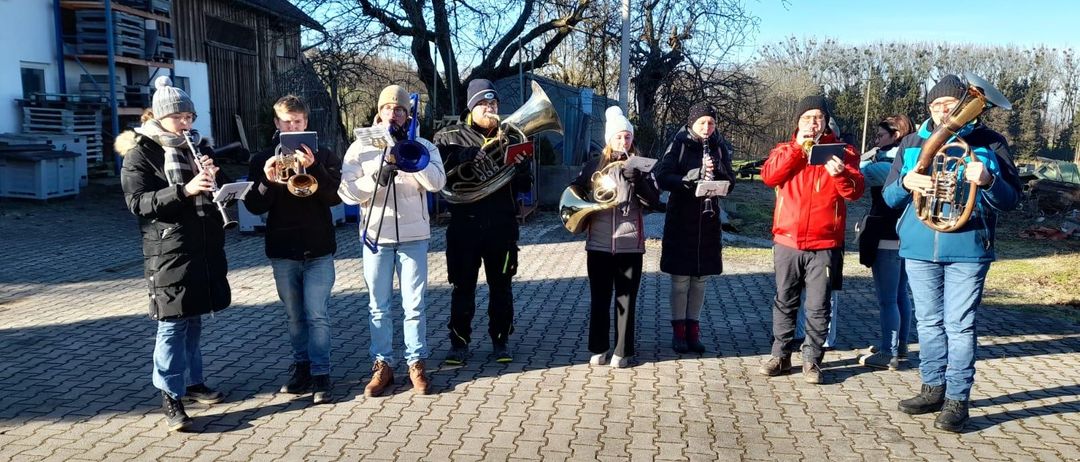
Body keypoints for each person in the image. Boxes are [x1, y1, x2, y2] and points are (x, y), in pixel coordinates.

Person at [885, 75, 1020, 432]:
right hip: (918, 245)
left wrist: (989, 181)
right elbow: (888, 198)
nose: (943, 111)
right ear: (928, 108)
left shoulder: (990, 142)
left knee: (959, 326)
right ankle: (932, 387)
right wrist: (905, 183)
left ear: (963, 105)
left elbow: (1011, 200)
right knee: (927, 323)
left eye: (950, 105)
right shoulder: (913, 142)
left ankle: (957, 398)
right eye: (935, 106)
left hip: (968, 247)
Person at [119, 76, 230, 431]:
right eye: (180, 117)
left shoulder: (196, 146)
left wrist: (218, 181)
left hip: (201, 246)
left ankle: (194, 383)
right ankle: (170, 394)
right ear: (161, 117)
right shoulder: (141, 152)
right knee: (171, 325)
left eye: (190, 117)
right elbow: (138, 203)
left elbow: (213, 193)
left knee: (194, 318)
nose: (187, 124)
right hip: (167, 249)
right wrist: (183, 190)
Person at [338, 85, 446, 397]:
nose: (394, 113)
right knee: (378, 307)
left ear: (407, 115)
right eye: (388, 108)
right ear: (379, 112)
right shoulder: (360, 147)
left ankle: (416, 364)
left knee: (414, 306)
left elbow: (438, 183)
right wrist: (378, 175)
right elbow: (346, 192)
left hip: (414, 236)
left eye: (399, 109)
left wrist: (412, 159)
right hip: (376, 235)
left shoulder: (423, 144)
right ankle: (382, 364)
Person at [243, 95, 343, 404]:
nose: (292, 125)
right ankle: (302, 369)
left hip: (318, 247)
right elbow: (252, 205)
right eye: (287, 121)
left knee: (317, 314)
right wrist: (267, 180)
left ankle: (322, 374)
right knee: (294, 317)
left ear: (306, 123)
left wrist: (317, 170)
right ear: (277, 123)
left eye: (297, 122)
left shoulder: (324, 154)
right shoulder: (262, 159)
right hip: (283, 248)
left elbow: (335, 198)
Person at [758, 95, 864, 384]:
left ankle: (812, 361)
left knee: (818, 305)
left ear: (826, 121)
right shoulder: (784, 149)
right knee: (785, 300)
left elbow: (854, 191)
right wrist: (797, 149)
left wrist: (841, 174)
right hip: (788, 241)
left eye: (817, 117)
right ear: (798, 122)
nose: (812, 122)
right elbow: (769, 176)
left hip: (825, 244)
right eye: (806, 117)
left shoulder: (844, 152)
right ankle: (780, 355)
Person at [433, 79, 531, 365]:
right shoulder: (449, 136)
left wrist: (522, 169)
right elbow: (440, 172)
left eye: (494, 104)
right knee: (462, 286)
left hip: (501, 225)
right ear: (471, 107)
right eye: (484, 104)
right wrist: (466, 155)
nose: (491, 109)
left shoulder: (511, 138)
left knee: (502, 286)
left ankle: (501, 341)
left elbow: (523, 186)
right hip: (465, 225)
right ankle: (459, 344)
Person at [571, 106, 663, 368]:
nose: (624, 142)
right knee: (599, 299)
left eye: (628, 137)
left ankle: (623, 351)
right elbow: (575, 193)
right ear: (609, 139)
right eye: (618, 137)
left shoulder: (643, 166)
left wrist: (639, 182)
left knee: (626, 299)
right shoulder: (593, 166)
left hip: (630, 245)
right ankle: (598, 349)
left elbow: (654, 201)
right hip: (598, 243)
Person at [655, 102, 735, 355]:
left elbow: (731, 181)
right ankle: (678, 333)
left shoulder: (719, 146)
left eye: (711, 123)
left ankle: (694, 331)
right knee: (680, 281)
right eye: (702, 122)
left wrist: (720, 174)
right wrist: (692, 176)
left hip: (708, 221)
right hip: (682, 218)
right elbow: (662, 176)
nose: (707, 127)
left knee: (700, 281)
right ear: (692, 123)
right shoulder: (679, 144)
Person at [856, 114, 915, 371]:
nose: (877, 141)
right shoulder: (912, 158)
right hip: (906, 235)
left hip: (886, 235)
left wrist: (869, 156)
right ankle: (900, 345)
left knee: (887, 299)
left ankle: (887, 353)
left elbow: (860, 173)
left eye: (881, 136)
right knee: (901, 294)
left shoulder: (888, 163)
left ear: (896, 135)